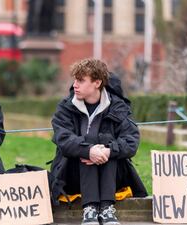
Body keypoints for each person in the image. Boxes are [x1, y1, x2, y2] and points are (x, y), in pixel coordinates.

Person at [50, 58, 148, 225]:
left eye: (81, 80)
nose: (75, 85)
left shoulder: (118, 107)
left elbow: (131, 141)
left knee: (106, 144)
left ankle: (107, 208)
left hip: (111, 176)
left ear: (97, 82)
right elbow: (63, 139)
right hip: (73, 176)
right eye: (75, 80)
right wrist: (89, 151)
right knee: (88, 144)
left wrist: (107, 151)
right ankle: (90, 209)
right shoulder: (66, 107)